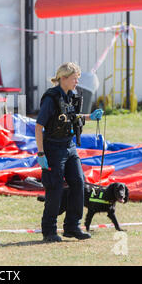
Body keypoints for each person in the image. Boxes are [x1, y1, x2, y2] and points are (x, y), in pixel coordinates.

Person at [35, 62, 103, 242]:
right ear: (63, 79)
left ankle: (72, 227)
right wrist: (41, 154)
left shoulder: (72, 96)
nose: (77, 82)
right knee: (55, 188)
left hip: (69, 146)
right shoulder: (51, 99)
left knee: (78, 183)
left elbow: (72, 116)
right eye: (74, 78)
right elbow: (39, 126)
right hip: (53, 148)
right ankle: (49, 231)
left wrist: (90, 116)